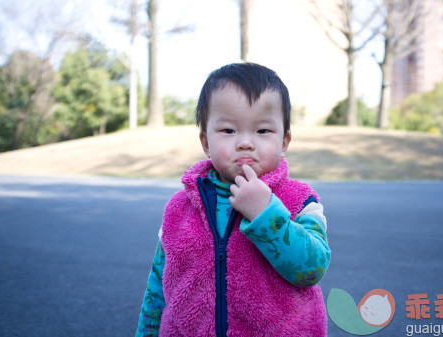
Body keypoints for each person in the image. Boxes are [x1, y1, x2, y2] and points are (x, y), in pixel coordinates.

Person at [136, 63, 331, 336]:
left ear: (284, 142)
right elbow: (157, 289)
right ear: (205, 142)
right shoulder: (179, 209)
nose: (245, 142)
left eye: (263, 131)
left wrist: (266, 215)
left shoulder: (299, 200)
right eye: (228, 130)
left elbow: (312, 268)